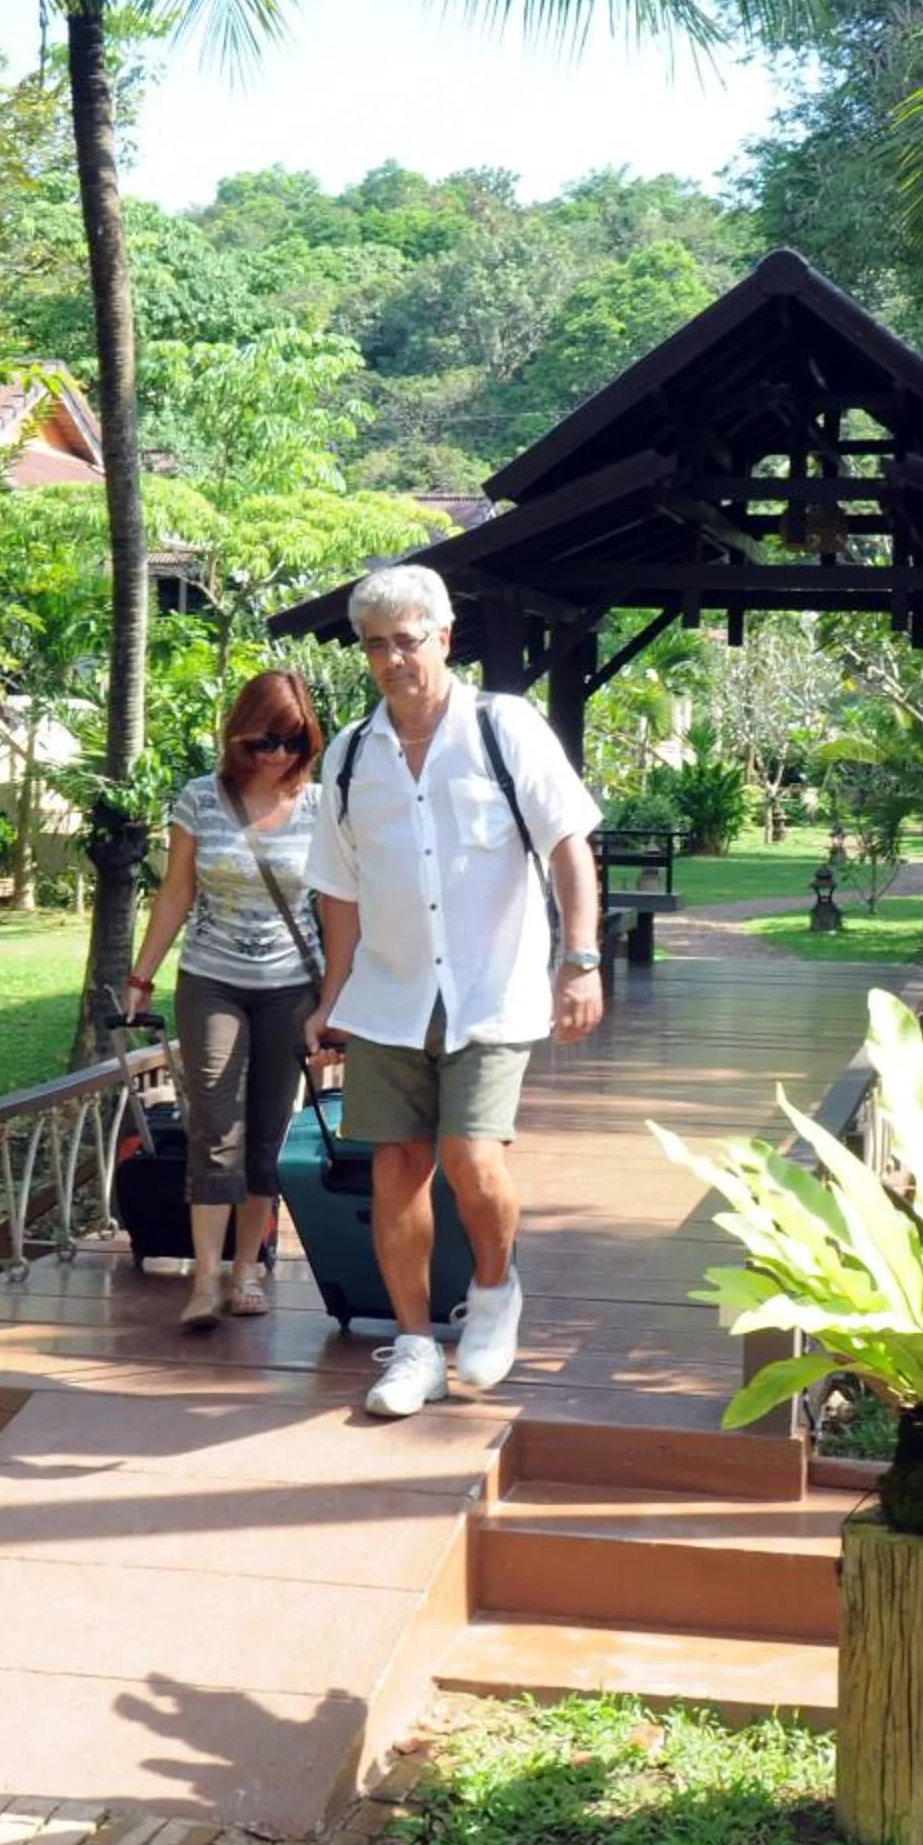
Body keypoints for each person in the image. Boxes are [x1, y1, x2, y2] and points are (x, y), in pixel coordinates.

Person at [303, 565, 605, 1418]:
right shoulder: (351, 754)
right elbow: (339, 891)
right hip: (390, 995)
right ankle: (411, 1347)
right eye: (376, 646)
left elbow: (567, 845)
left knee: (472, 1159)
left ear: (443, 637)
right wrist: (330, 999)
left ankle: (497, 1287)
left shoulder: (505, 729)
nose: (394, 659)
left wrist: (579, 959)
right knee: (395, 1167)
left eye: (408, 640)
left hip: (493, 989)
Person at [125, 669, 324, 1328]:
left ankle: (248, 1270)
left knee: (267, 1131)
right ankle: (204, 1279)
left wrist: (344, 999)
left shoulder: (322, 807)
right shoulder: (200, 800)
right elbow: (176, 892)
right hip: (212, 978)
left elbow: (341, 906)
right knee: (216, 1124)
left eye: (293, 741)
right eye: (267, 740)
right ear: (240, 736)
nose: (279, 755)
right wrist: (141, 975)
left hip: (291, 986)